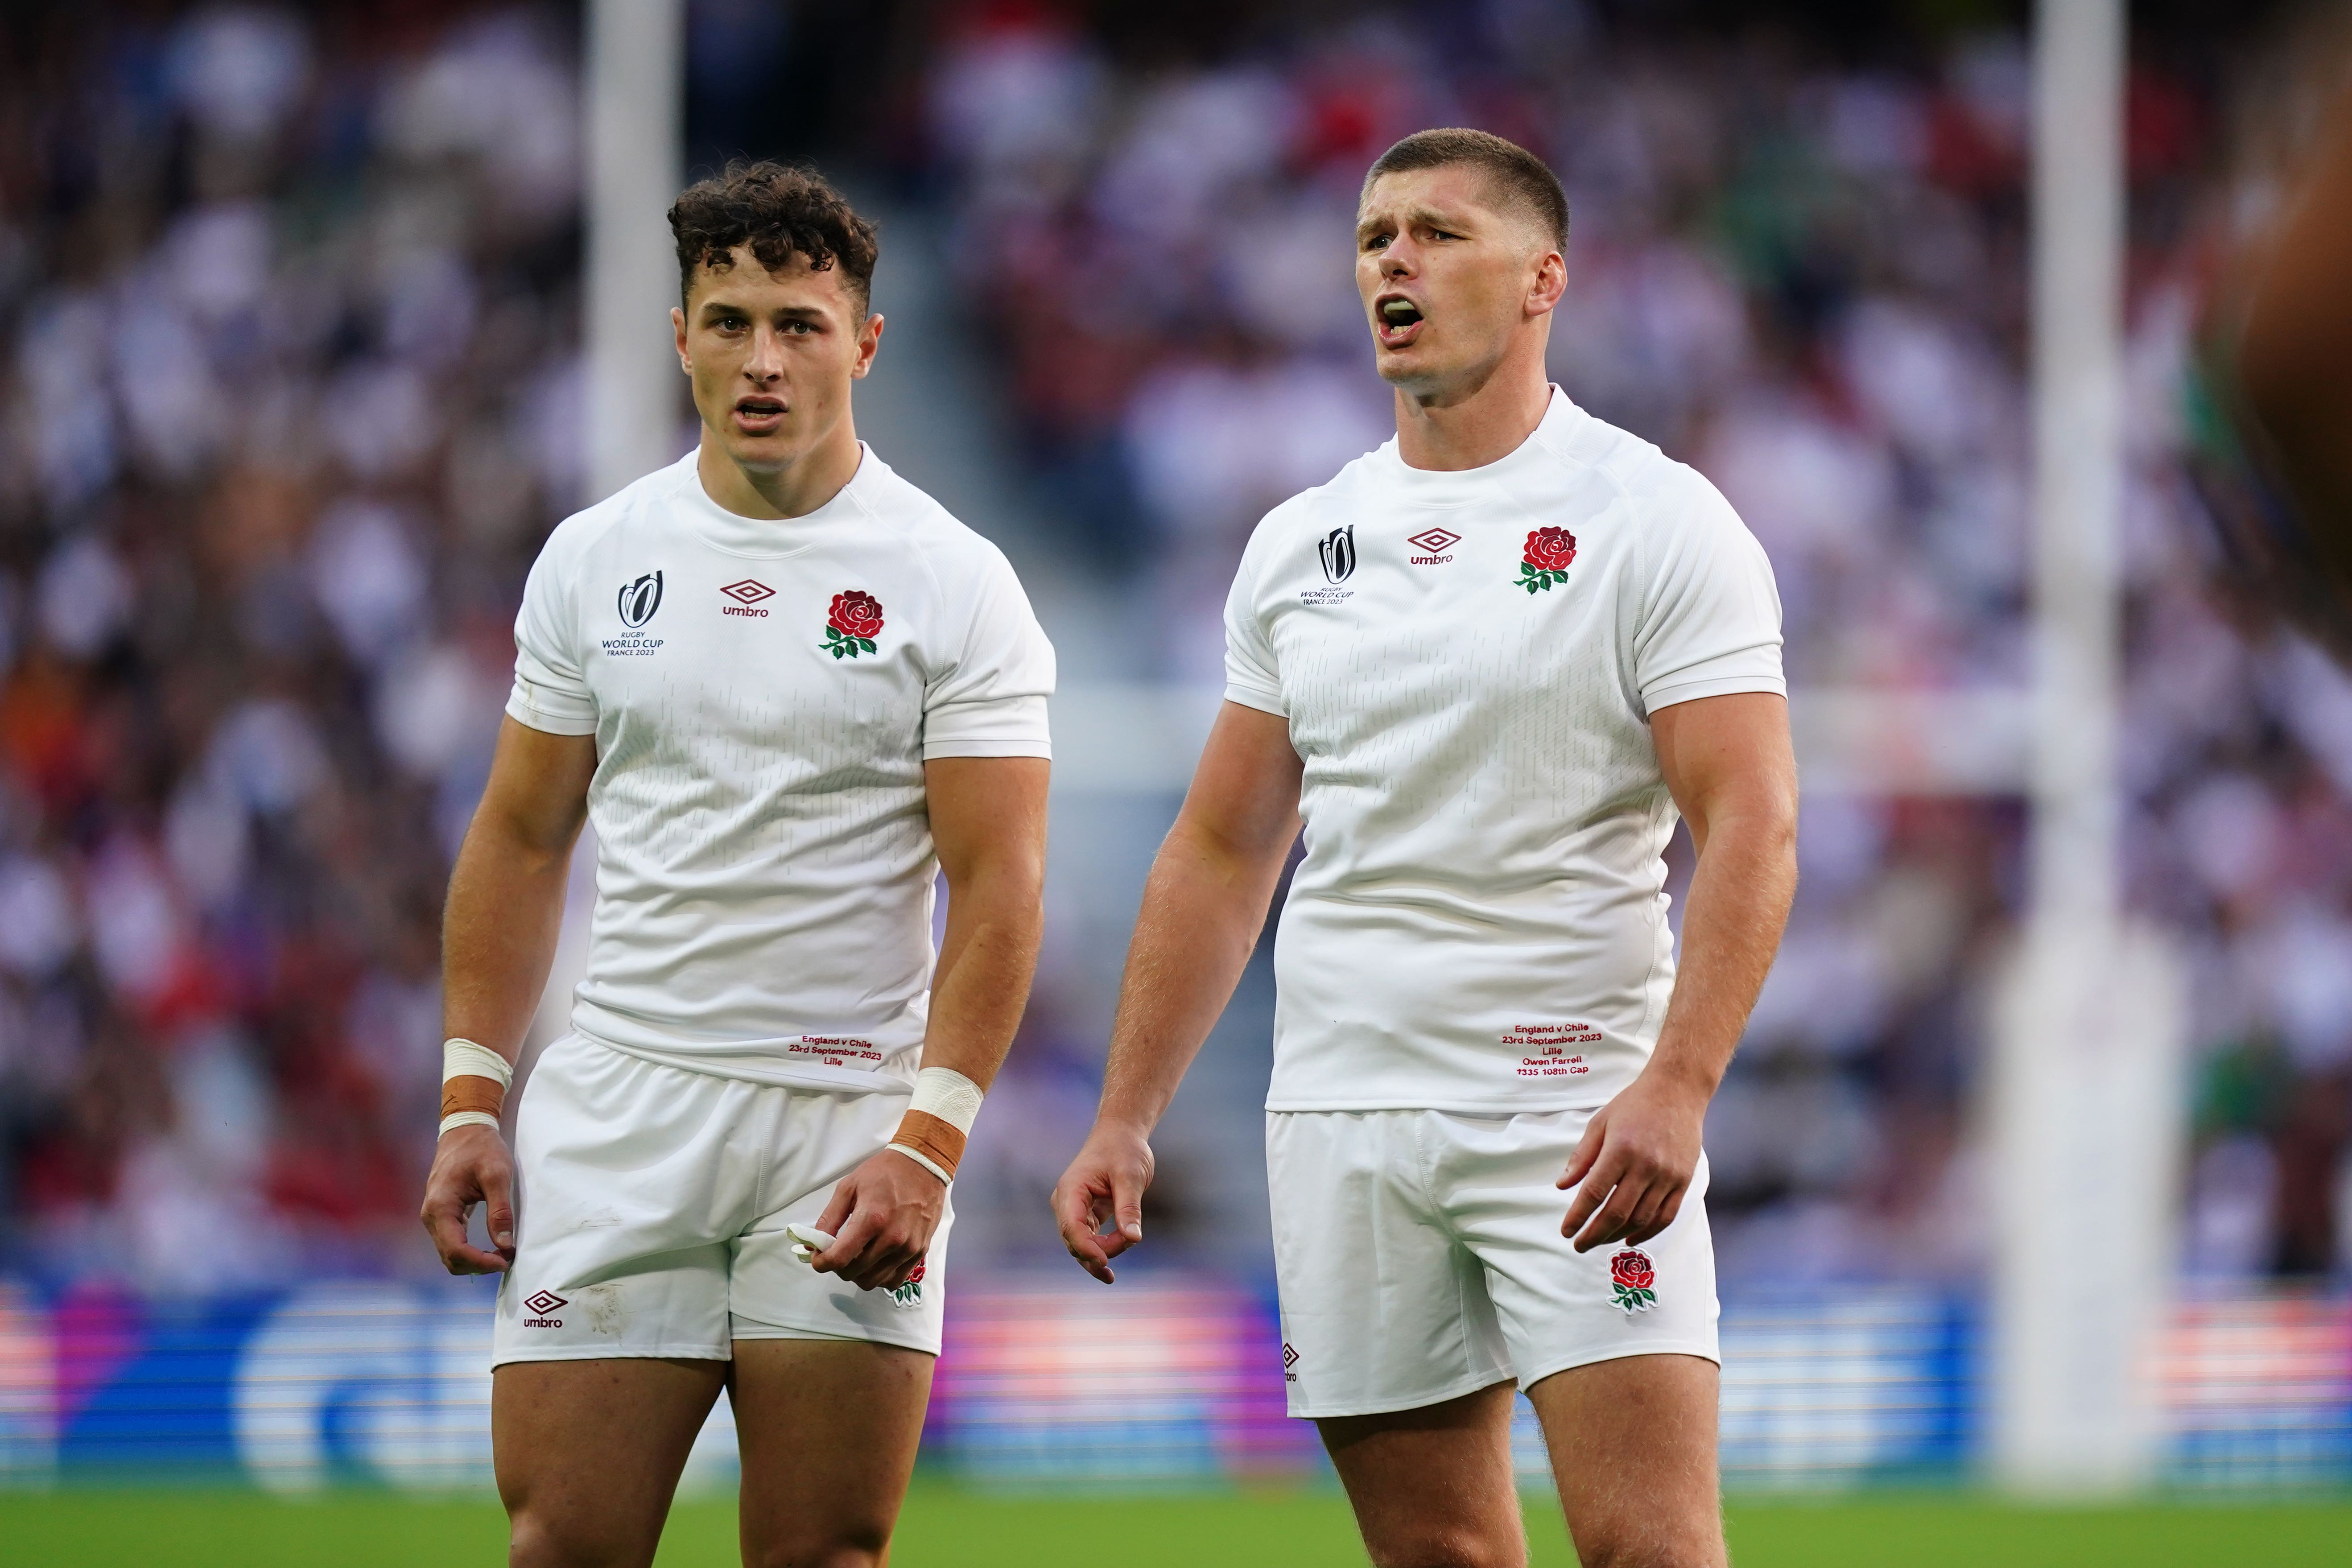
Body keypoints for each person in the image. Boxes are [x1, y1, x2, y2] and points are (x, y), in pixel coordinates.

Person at [1053, 129, 1795, 1568]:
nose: (1392, 257)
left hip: (1571, 1113)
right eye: (1374, 234)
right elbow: (1219, 846)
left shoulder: (1656, 519)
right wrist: (1126, 1110)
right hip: (1342, 1113)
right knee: (1435, 1556)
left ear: (1542, 281)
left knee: (1650, 1547)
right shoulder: (1299, 542)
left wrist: (1678, 1083)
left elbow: (1752, 817)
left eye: (1438, 232)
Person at [419, 162, 1053, 1568]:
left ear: (866, 344)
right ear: (681, 332)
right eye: (728, 320)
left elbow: (1002, 886)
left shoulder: (953, 579)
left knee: (821, 1554)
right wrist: (472, 1096)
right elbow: (522, 834)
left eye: (799, 324)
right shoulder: (597, 559)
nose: (760, 358)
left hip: (845, 1124)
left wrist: (927, 1146)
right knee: (561, 1547)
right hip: (622, 1113)